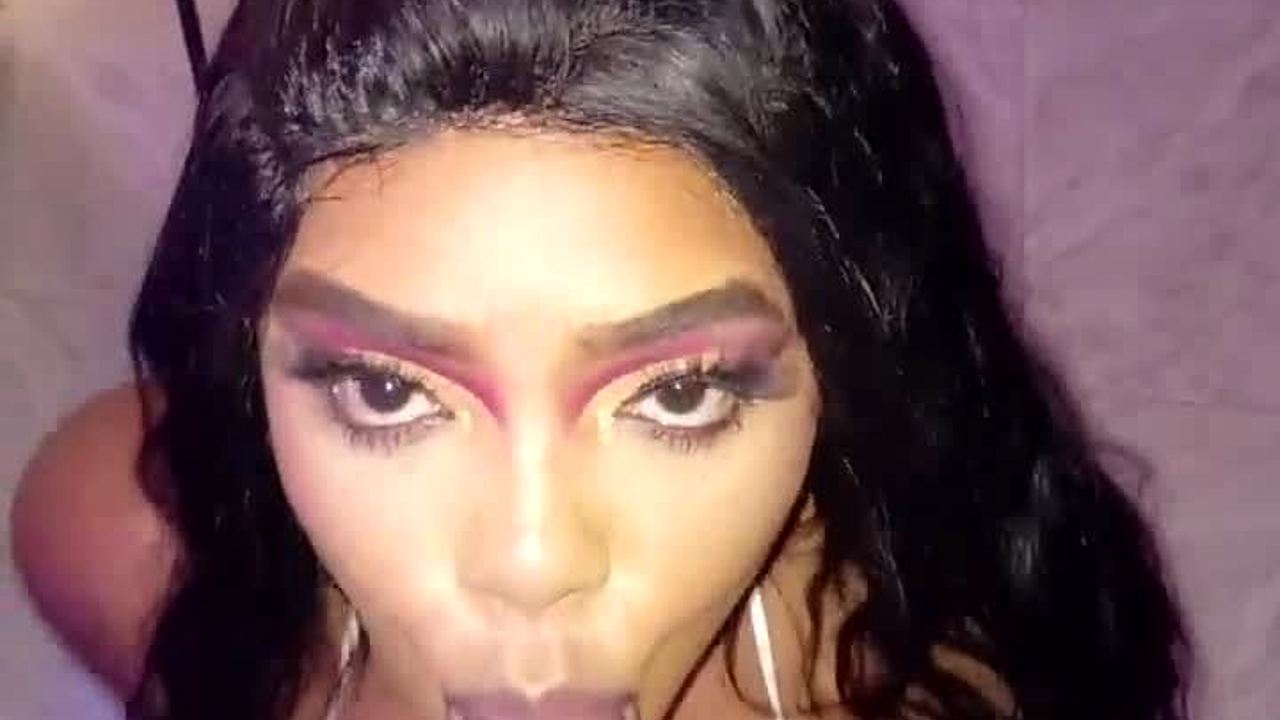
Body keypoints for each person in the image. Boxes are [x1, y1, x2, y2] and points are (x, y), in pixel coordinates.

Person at [11, 1, 1191, 719]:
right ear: (249, 353)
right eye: (385, 389)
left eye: (677, 393)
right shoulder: (113, 540)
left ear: (838, 370)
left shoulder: (928, 688)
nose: (532, 565)